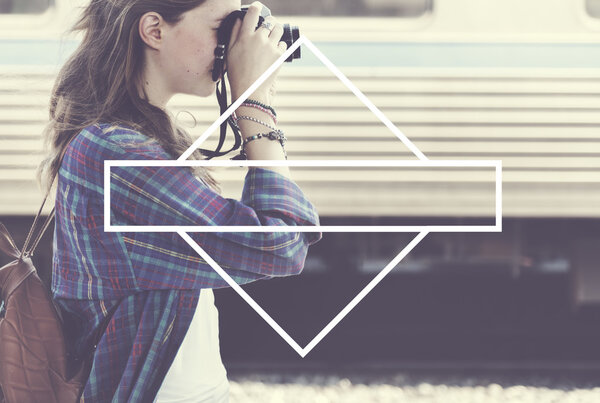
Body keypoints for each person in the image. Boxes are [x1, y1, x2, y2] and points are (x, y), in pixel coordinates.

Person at [36, 0, 321, 401]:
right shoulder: (116, 153)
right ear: (154, 30)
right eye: (221, 28)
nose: (230, 46)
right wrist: (255, 104)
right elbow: (281, 245)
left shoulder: (134, 142)